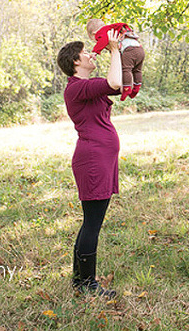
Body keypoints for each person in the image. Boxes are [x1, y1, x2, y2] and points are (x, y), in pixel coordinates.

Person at [56, 29, 123, 298]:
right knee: (93, 223)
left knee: (90, 222)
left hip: (100, 157)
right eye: (85, 52)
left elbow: (118, 84)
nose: (90, 54)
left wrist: (119, 51)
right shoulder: (77, 87)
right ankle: (88, 285)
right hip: (93, 160)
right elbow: (115, 82)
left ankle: (79, 280)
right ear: (75, 62)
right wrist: (114, 50)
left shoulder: (88, 86)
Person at [87, 18, 145, 101]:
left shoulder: (101, 32)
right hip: (139, 49)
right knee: (137, 70)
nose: (97, 40)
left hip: (129, 50)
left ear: (94, 34)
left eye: (95, 40)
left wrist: (95, 51)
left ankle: (126, 89)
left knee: (126, 69)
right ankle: (136, 87)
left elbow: (102, 41)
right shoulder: (112, 30)